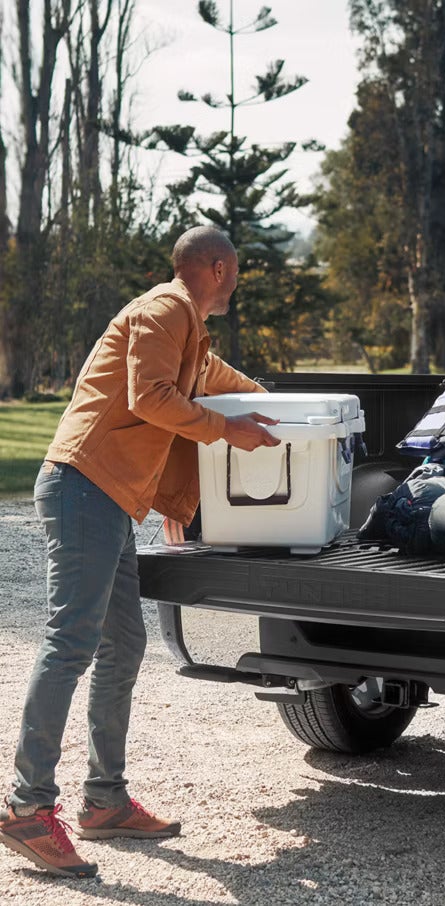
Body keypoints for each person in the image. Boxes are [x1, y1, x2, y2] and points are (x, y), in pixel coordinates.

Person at [0, 226, 280, 879]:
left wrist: (291, 413)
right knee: (70, 640)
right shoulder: (164, 310)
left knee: (122, 646)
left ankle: (103, 801)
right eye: (234, 271)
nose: (235, 281)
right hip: (82, 485)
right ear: (217, 267)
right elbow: (149, 397)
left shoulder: (188, 330)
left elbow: (218, 381)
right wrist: (228, 430)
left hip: (109, 496)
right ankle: (25, 808)